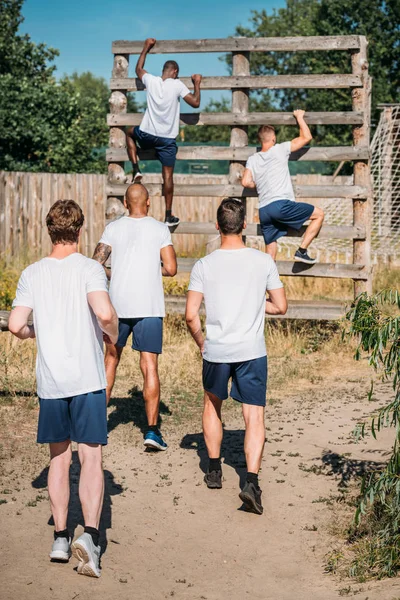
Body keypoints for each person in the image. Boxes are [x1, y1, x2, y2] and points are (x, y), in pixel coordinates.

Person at [8, 200, 119, 578]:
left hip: (51, 381)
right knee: (91, 458)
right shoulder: (90, 268)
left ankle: (59, 538)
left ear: (49, 229)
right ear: (80, 230)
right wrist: (113, 334)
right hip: (87, 379)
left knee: (59, 459)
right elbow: (103, 313)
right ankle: (89, 535)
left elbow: (16, 325)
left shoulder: (32, 272)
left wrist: (37, 330)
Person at [185, 198, 287, 515]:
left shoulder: (204, 265)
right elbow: (281, 306)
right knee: (253, 416)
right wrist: (256, 305)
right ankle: (251, 482)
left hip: (216, 348)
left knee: (212, 404)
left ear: (218, 226)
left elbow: (190, 315)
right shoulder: (263, 263)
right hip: (251, 350)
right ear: (245, 226)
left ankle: (214, 470)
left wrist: (202, 340)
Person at [92, 183, 177, 451]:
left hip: (117, 306)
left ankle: (96, 427)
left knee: (110, 360)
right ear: (148, 202)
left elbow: (95, 265)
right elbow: (172, 268)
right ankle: (152, 431)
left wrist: (114, 273)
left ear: (126, 204)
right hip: (149, 307)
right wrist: (151, 270)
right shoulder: (160, 228)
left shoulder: (113, 228)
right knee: (149, 366)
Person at [126, 37, 202, 227]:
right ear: (175, 72)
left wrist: (146, 47)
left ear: (163, 71)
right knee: (167, 176)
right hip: (167, 140)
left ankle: (135, 168)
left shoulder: (151, 81)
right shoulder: (177, 85)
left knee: (128, 132)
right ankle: (168, 215)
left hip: (147, 135)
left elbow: (138, 69)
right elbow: (195, 102)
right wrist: (197, 83)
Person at [242, 110, 324, 264]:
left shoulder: (253, 158)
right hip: (280, 205)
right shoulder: (280, 149)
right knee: (319, 214)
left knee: (270, 257)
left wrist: (259, 183)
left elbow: (245, 182)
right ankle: (302, 251)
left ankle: (264, 283)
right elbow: (306, 137)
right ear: (273, 138)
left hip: (264, 210)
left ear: (260, 140)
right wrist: (299, 117)